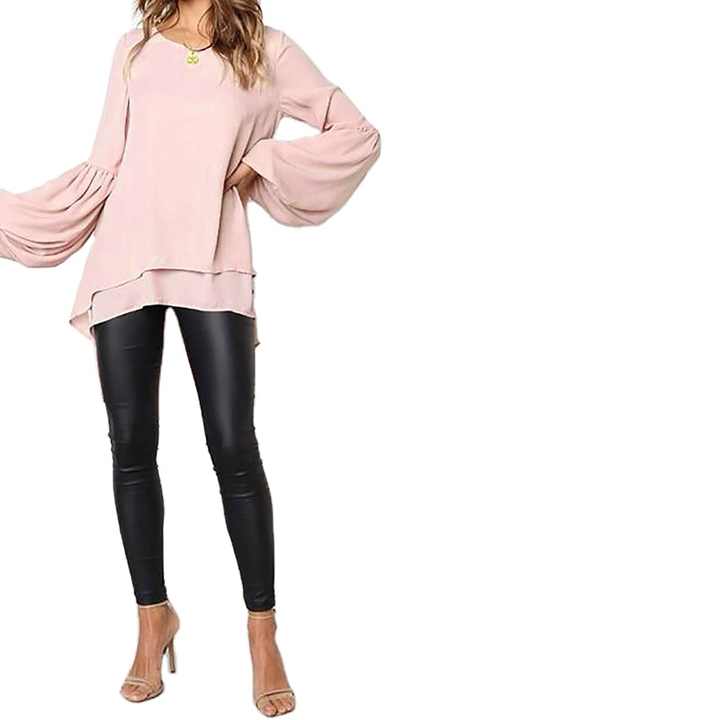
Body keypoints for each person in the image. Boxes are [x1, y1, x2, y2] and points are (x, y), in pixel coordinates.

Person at [0, 0, 380, 715]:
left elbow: (357, 133)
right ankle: (153, 621)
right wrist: (25, 215)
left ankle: (263, 634)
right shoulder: (134, 48)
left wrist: (262, 160)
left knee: (233, 446)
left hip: (214, 258)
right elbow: (106, 164)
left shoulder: (266, 48)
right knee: (131, 446)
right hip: (126, 259)